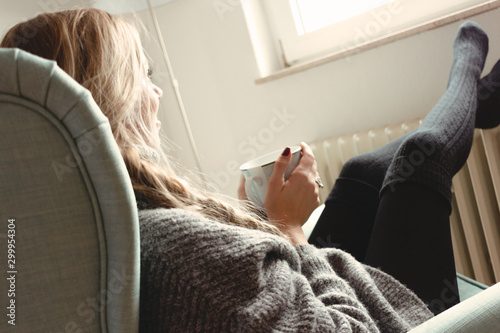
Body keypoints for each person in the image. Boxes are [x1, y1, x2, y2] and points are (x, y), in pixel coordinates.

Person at [2, 8, 499, 332]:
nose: (156, 96)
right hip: (392, 322)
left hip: (314, 294)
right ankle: (469, 69)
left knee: (358, 173)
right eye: (144, 77)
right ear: (113, 99)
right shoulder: (184, 255)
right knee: (423, 158)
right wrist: (285, 229)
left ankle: (479, 100)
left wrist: (251, 224)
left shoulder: (73, 237)